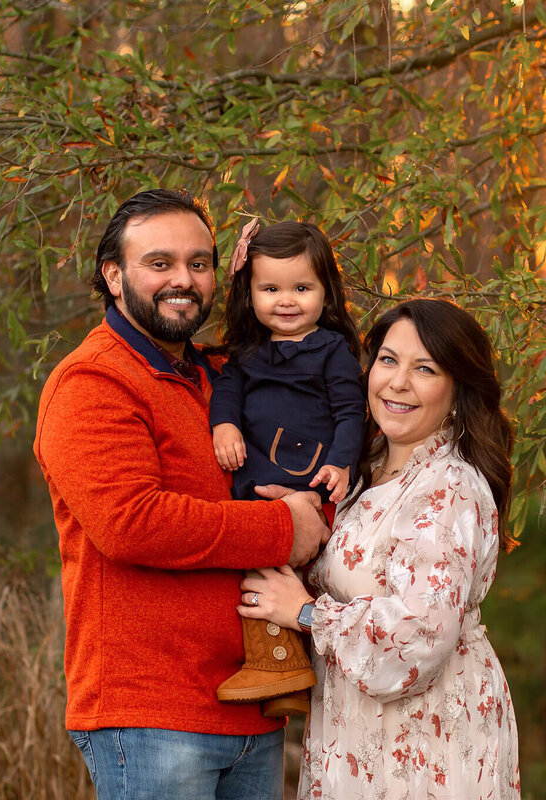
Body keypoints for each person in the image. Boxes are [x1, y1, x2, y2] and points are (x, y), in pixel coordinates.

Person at [33, 189, 330, 800]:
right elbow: (131, 523)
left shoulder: (222, 375)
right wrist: (282, 528)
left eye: (200, 264)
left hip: (256, 697)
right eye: (160, 263)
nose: (183, 280)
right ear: (113, 276)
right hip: (153, 716)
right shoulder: (92, 384)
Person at [238, 298, 522, 799]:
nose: (397, 382)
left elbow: (415, 639)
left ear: (457, 388)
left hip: (425, 733)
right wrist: (297, 519)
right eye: (388, 360)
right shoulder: (363, 470)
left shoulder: (447, 487)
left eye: (425, 369)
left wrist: (306, 614)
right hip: (357, 731)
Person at [208, 220, 366, 717]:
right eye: (270, 288)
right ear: (249, 292)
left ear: (325, 292)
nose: (286, 300)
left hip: (308, 475)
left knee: (280, 566)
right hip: (256, 472)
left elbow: (349, 413)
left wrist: (341, 463)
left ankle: (282, 668)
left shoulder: (332, 351)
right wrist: (224, 427)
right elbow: (228, 393)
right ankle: (279, 670)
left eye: (302, 287)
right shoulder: (248, 352)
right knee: (259, 568)